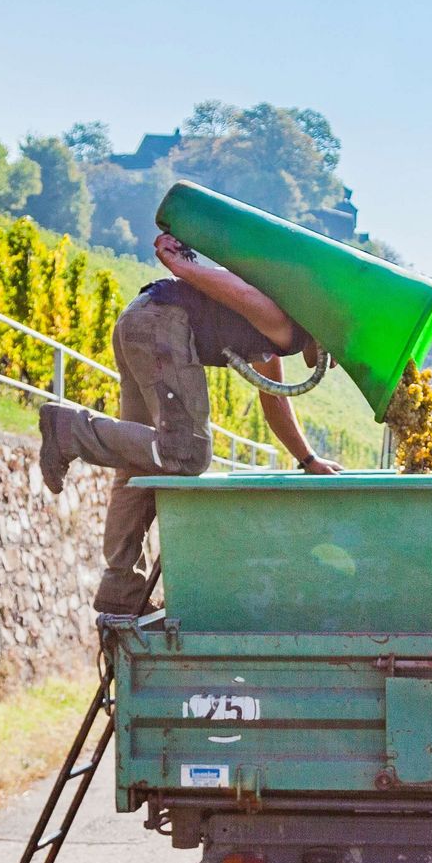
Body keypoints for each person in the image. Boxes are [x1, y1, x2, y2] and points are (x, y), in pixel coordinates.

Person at [38, 231, 343, 616]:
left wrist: (308, 459)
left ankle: (121, 588)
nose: (332, 361)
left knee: (139, 464)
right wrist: (184, 266)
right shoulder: (283, 324)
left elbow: (274, 398)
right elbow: (236, 289)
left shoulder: (276, 332)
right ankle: (69, 430)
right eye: (335, 347)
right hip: (160, 326)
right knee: (187, 452)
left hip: (141, 319)